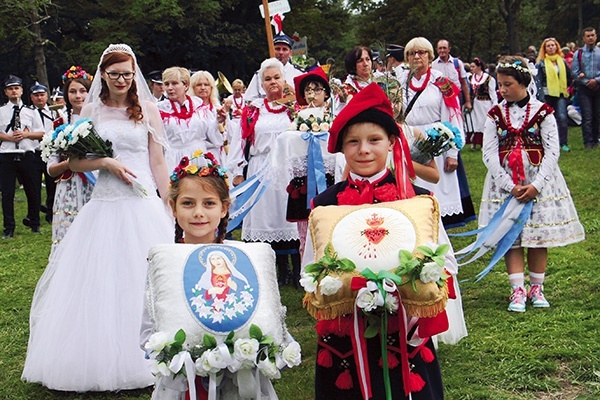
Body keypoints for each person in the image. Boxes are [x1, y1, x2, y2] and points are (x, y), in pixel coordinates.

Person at [22, 43, 173, 391]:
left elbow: (158, 162)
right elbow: (72, 161)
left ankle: (156, 352)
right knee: (103, 278)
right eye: (115, 73)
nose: (122, 80)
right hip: (105, 201)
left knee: (149, 276)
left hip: (142, 200)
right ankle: (101, 358)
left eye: (128, 74)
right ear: (103, 75)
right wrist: (105, 162)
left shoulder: (148, 109)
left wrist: (169, 202)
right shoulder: (92, 110)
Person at [305, 82, 460, 399]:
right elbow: (311, 267)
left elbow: (445, 262)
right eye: (353, 142)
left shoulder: (416, 200)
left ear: (391, 142)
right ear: (342, 148)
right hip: (346, 332)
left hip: (405, 327)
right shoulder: (326, 205)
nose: (363, 150)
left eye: (374, 140)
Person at [479, 56, 585, 312]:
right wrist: (507, 184)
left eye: (507, 84)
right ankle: (517, 289)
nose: (501, 90)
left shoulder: (543, 113)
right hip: (506, 185)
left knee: (536, 237)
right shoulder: (495, 115)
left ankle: (537, 287)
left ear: (523, 82)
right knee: (511, 237)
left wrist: (537, 184)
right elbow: (489, 153)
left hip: (539, 183)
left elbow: (552, 151)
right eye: (500, 85)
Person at [228, 58, 300, 286]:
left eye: (276, 77)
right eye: (267, 79)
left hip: (289, 168)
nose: (273, 82)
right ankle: (276, 271)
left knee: (290, 216)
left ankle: (298, 268)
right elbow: (240, 141)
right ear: (261, 84)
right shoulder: (252, 111)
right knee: (266, 217)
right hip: (261, 169)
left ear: (284, 79)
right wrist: (238, 170)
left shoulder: (294, 108)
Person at [398, 37, 476, 229]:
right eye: (412, 53)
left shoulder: (442, 82)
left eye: (421, 52)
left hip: (435, 139)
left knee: (438, 188)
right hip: (409, 137)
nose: (417, 57)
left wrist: (452, 153)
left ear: (430, 56)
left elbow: (453, 116)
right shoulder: (399, 82)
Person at [45, 66, 94, 250]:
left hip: (95, 183)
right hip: (69, 187)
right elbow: (50, 169)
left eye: (83, 90)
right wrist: (69, 164)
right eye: (72, 91)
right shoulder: (59, 124)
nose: (78, 96)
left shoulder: (100, 119)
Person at [0, 75, 44, 238]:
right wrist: (9, 138)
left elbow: (41, 132)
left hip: (27, 153)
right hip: (7, 154)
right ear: (6, 92)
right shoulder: (1, 111)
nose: (14, 91)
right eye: (10, 88)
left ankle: (35, 223)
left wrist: (26, 135)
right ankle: (9, 227)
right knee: (7, 193)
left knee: (33, 190)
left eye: (16, 88)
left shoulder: (30, 112)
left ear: (21, 90)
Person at [158, 67, 223, 172]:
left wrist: (218, 122)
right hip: (174, 158)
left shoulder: (199, 106)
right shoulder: (160, 109)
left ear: (186, 86)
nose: (170, 88)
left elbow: (213, 137)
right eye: (166, 84)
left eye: (174, 83)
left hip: (198, 156)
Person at [536, 38, 573, 152]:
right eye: (548, 46)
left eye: (553, 45)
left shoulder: (562, 61)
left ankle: (563, 143)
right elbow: (538, 81)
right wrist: (541, 97)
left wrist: (566, 87)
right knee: (546, 119)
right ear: (544, 49)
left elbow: (569, 76)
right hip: (547, 95)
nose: (551, 47)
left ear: (557, 47)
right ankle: (547, 143)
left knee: (562, 117)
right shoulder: (541, 63)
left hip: (560, 94)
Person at [29, 82, 59, 225]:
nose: (39, 98)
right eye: (36, 96)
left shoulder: (54, 112)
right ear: (31, 97)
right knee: (34, 186)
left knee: (52, 185)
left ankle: (51, 213)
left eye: (42, 95)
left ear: (47, 96)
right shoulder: (27, 112)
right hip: (34, 152)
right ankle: (33, 216)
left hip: (50, 152)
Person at [245, 32, 303, 102]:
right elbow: (249, 99)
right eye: (277, 49)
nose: (281, 53)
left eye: (284, 49)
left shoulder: (299, 74)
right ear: (271, 50)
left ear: (290, 53)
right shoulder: (260, 74)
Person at [189, 70, 227, 163]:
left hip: (219, 155)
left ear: (211, 87)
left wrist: (222, 121)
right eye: (199, 85)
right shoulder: (189, 111)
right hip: (198, 155)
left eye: (206, 84)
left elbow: (228, 136)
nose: (203, 88)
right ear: (192, 88)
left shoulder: (218, 109)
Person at [571, 27, 600, 149]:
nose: (590, 38)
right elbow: (574, 72)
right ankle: (588, 142)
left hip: (598, 87)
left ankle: (596, 139)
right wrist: (585, 80)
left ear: (596, 36)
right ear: (584, 38)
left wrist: (596, 80)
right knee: (587, 116)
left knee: (597, 115)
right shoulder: (579, 54)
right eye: (588, 36)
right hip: (584, 88)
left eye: (592, 35)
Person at [432, 39, 472, 111]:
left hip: (456, 97)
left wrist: (468, 102)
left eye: (444, 48)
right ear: (437, 50)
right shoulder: (433, 65)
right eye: (440, 48)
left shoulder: (457, 63)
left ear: (449, 49)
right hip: (440, 98)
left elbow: (463, 83)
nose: (442, 50)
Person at [468, 58, 498, 149]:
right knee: (475, 122)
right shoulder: (470, 78)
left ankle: (484, 143)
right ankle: (474, 142)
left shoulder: (488, 79)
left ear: (479, 67)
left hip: (485, 104)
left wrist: (495, 105)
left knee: (484, 122)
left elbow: (493, 93)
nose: (471, 69)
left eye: (473, 67)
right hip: (475, 104)